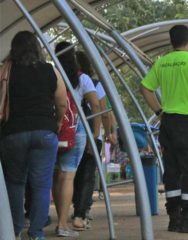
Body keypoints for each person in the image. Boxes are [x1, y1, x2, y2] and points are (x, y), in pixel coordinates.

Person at [140, 25, 188, 234]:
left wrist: (160, 111)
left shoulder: (161, 62)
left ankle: (174, 218)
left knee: (172, 169)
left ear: (172, 42)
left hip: (168, 122)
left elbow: (145, 88)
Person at [0, 31, 67, 240]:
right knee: (42, 184)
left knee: (15, 183)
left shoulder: (6, 71)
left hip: (13, 133)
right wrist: (56, 122)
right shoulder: (50, 70)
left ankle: (15, 228)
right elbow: (62, 102)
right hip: (45, 131)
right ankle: (37, 233)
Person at [52, 42, 100, 238]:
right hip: (75, 129)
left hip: (54, 129)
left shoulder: (53, 74)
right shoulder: (83, 78)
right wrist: (94, 134)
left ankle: (60, 219)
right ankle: (63, 223)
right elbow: (95, 105)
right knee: (68, 176)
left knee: (56, 177)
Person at [72, 50, 115, 230]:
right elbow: (103, 110)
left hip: (70, 132)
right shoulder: (95, 83)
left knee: (70, 173)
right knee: (87, 173)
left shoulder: (63, 81)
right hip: (92, 133)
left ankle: (77, 207)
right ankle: (82, 211)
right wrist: (108, 133)